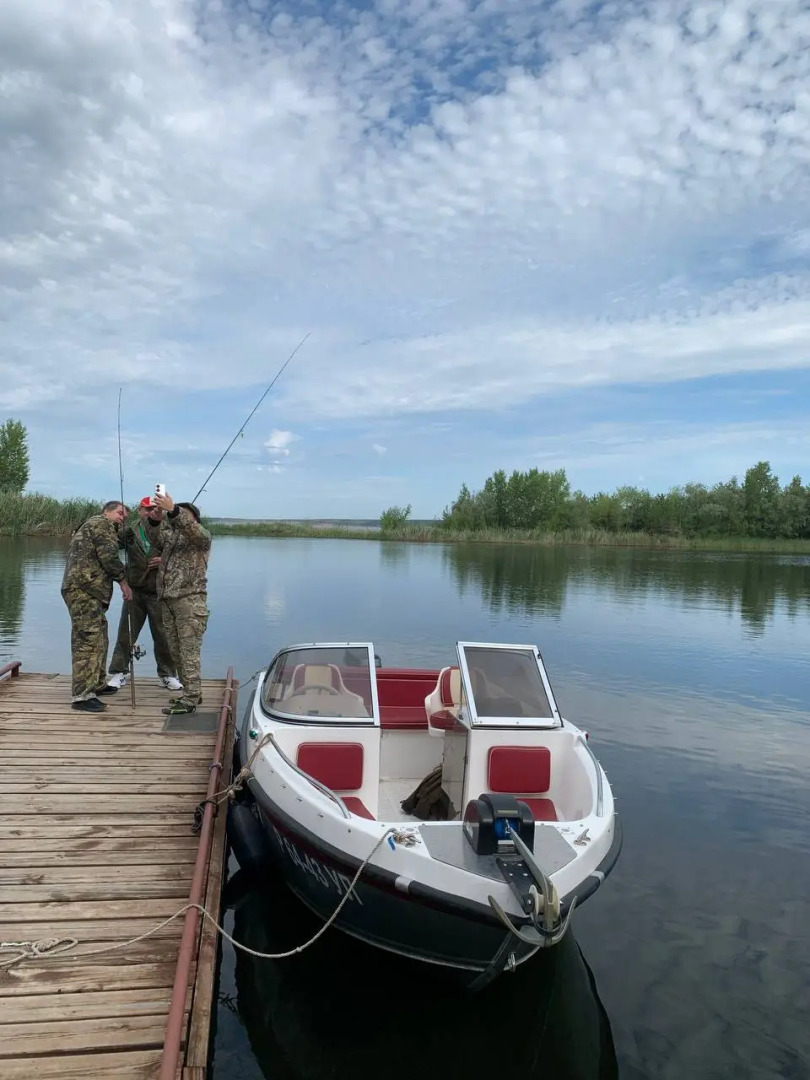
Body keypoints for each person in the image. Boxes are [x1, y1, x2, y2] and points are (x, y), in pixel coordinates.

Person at [61, 500, 133, 712]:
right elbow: (109, 556)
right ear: (106, 512)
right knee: (87, 640)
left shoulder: (101, 528)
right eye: (120, 514)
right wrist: (123, 582)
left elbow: (112, 546)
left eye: (125, 517)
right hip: (83, 591)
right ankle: (82, 696)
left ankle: (97, 684)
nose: (122, 518)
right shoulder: (100, 524)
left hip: (91, 592)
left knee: (100, 637)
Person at [106, 496, 183, 692]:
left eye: (155, 509)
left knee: (163, 635)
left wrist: (164, 560)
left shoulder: (169, 529)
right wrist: (122, 573)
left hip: (159, 591)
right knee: (126, 632)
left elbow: (183, 557)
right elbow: (108, 550)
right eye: (147, 509)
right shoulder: (129, 531)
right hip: (135, 590)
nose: (151, 513)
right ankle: (119, 672)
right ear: (140, 510)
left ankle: (167, 674)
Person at [149, 490, 212, 715]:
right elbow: (155, 538)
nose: (175, 515)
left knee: (188, 652)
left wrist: (174, 510)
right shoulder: (172, 536)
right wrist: (155, 520)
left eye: (183, 514)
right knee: (175, 652)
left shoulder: (200, 538)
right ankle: (191, 693)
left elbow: (196, 532)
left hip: (189, 601)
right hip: (168, 600)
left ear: (193, 518)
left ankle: (191, 698)